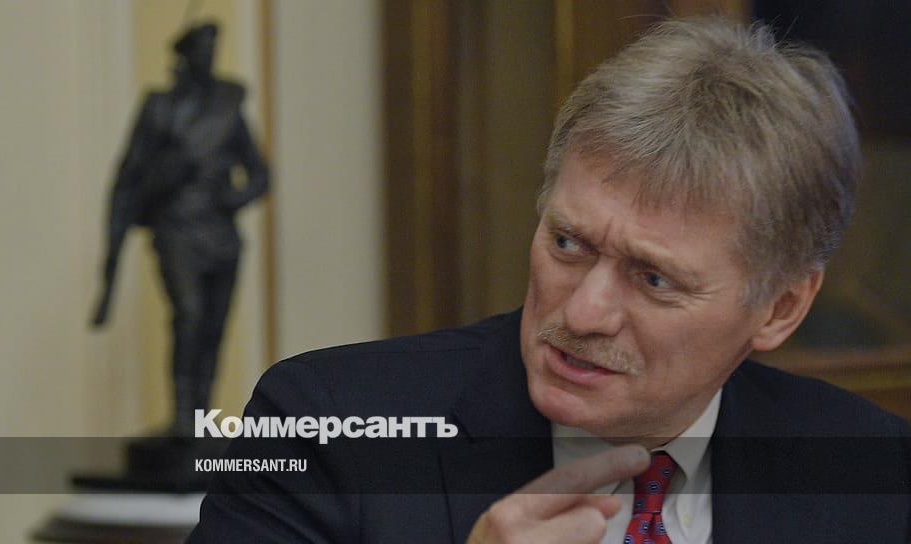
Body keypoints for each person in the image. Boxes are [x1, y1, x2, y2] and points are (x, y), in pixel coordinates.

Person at [187, 17, 909, 543]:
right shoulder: (323, 430)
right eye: (568, 243)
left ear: (780, 308)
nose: (585, 312)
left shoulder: (875, 474)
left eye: (654, 279)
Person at [91, 22, 269, 436]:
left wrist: (235, 198)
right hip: (176, 229)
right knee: (188, 315)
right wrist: (111, 258)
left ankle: (202, 417)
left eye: (213, 49)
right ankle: (183, 416)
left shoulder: (227, 108)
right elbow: (130, 173)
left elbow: (259, 173)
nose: (209, 56)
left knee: (214, 328)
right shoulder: (160, 108)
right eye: (202, 49)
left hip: (221, 234)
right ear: (185, 56)